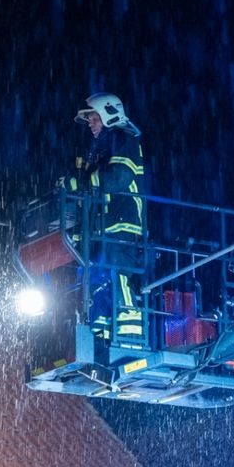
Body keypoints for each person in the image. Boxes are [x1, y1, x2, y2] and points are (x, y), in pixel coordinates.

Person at [68, 92, 148, 345]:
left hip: (122, 222)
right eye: (90, 120)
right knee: (96, 280)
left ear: (109, 115)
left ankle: (129, 327)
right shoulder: (97, 149)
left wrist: (80, 183)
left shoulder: (125, 140)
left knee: (117, 272)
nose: (91, 124)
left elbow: (118, 178)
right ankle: (100, 330)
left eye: (94, 119)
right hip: (100, 228)